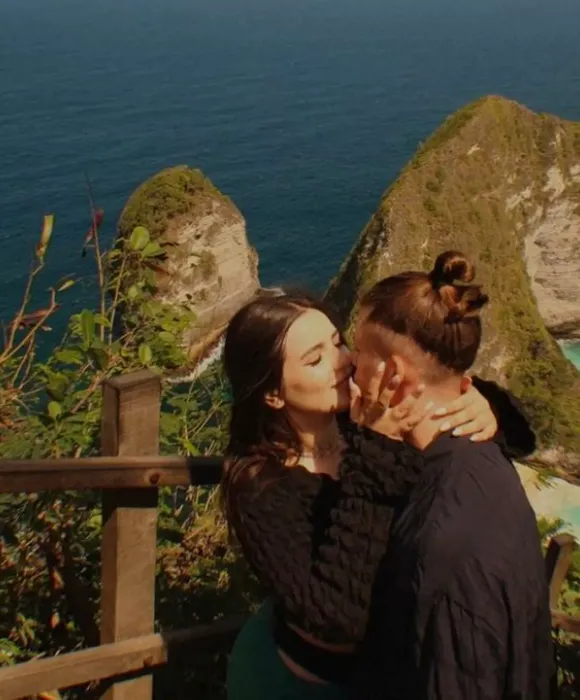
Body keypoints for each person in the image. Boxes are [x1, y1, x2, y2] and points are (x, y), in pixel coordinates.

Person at [221, 288, 536, 700]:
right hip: (311, 684)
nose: (344, 361)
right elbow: (336, 618)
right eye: (315, 360)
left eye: (338, 343)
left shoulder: (364, 415)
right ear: (273, 393)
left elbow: (518, 437)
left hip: (395, 664)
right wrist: (377, 452)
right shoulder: (261, 486)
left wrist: (481, 404)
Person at [350, 251, 553, 699]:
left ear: (393, 374)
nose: (348, 362)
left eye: (359, 351)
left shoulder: (441, 538)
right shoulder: (482, 452)